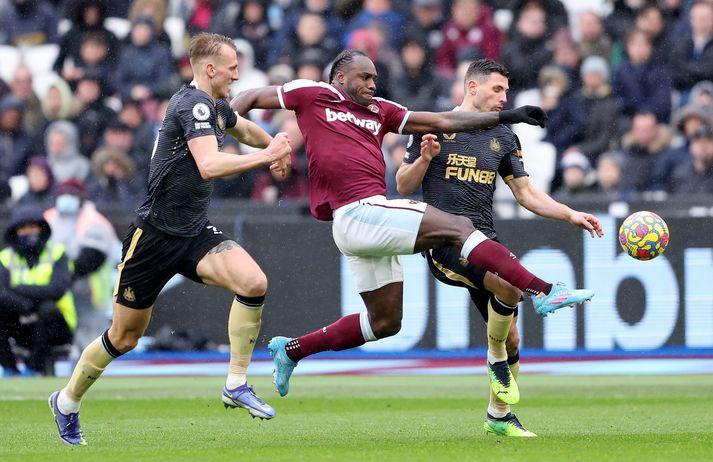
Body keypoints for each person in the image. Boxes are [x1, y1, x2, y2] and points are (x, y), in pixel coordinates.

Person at [231, 49, 596, 404]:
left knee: (385, 322)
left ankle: (292, 350)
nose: (373, 83)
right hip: (357, 211)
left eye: (375, 77)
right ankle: (545, 291)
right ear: (340, 77)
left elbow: (443, 121)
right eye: (365, 77)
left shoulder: (381, 110)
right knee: (458, 227)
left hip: (365, 225)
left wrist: (507, 117)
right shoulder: (312, 93)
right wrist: (227, 128)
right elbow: (248, 96)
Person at [49, 32, 292, 446]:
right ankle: (67, 401)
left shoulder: (214, 105)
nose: (238, 73)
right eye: (232, 67)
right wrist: (268, 157)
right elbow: (210, 165)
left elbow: (243, 127)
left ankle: (236, 382)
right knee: (123, 338)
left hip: (193, 232)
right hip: (154, 238)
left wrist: (274, 143)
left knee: (254, 283)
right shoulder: (191, 103)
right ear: (210, 69)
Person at [396, 59, 603, 437]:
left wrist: (570, 214)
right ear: (471, 87)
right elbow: (404, 185)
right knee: (510, 287)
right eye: (498, 90)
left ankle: (499, 414)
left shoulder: (504, 136)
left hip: (485, 241)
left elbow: (525, 194)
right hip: (443, 242)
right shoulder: (434, 125)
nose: (504, 98)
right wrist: (424, 159)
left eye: (507, 91)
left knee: (512, 337)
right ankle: (496, 358)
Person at [44, 179, 121, 351]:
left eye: (71, 194)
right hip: (57, 290)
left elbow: (92, 257)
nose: (66, 198)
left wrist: (65, 273)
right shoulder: (49, 217)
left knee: (92, 338)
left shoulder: (94, 220)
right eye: (63, 194)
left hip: (89, 290)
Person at [0, 206, 76, 377]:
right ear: (15, 231)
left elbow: (57, 289)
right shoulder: (5, 257)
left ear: (42, 229)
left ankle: (35, 367)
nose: (29, 232)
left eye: (33, 227)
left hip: (57, 326)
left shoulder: (57, 253)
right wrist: (25, 305)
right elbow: (1, 293)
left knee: (47, 309)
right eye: (23, 228)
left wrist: (18, 289)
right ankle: (10, 368)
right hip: (20, 321)